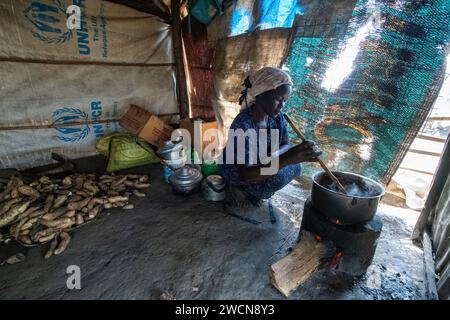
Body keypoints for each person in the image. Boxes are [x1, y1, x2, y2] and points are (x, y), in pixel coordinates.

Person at [219, 67, 321, 215]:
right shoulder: (242, 125)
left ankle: (261, 182)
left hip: (263, 163)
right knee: (276, 178)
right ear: (260, 95)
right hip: (241, 173)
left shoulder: (277, 118)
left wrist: (283, 156)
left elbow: (285, 144)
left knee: (296, 166)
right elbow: (246, 174)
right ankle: (242, 191)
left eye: (285, 101)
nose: (282, 105)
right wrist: (284, 159)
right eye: (278, 99)